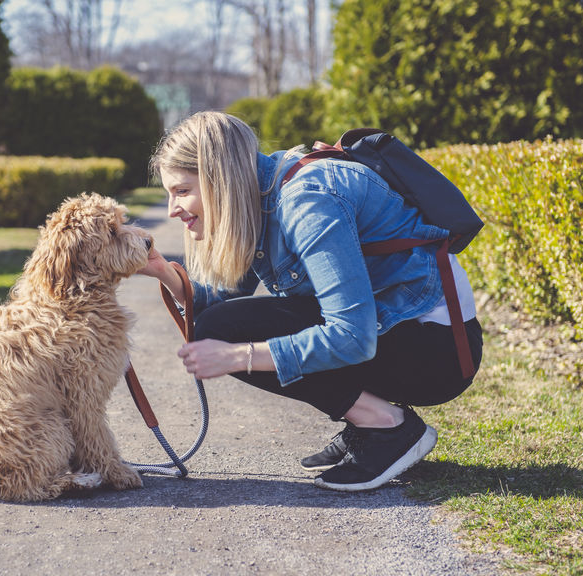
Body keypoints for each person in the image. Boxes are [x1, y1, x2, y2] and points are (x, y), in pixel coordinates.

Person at [138, 111, 482, 492]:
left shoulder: (307, 199)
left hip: (437, 351)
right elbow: (219, 308)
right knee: (220, 325)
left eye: (182, 191)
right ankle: (369, 422)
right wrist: (161, 271)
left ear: (220, 178)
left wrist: (239, 356)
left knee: (225, 333)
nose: (172, 210)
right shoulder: (262, 194)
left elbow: (352, 336)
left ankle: (387, 427)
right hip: (400, 332)